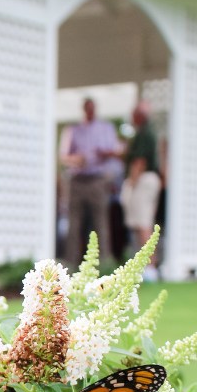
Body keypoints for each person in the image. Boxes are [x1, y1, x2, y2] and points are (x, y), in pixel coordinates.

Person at [62, 98, 122, 268]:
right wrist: (77, 160)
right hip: (77, 181)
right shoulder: (73, 130)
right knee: (74, 225)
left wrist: (106, 153)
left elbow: (117, 152)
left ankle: (104, 264)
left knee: (101, 224)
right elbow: (64, 156)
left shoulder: (106, 129)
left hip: (97, 180)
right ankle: (70, 265)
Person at [119, 101, 162, 281]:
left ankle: (150, 267)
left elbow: (139, 161)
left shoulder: (144, 134)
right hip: (147, 179)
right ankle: (145, 264)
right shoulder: (146, 133)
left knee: (143, 222)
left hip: (142, 180)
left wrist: (131, 183)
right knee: (140, 223)